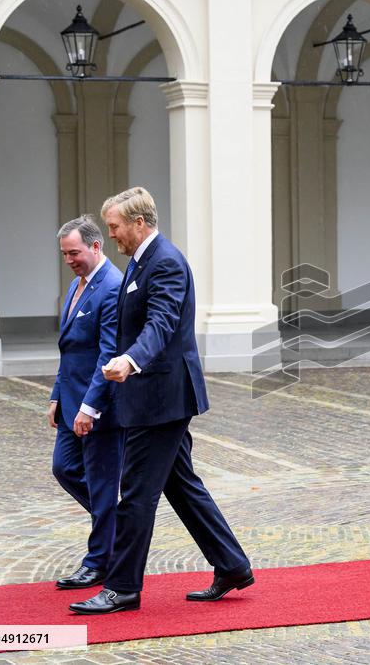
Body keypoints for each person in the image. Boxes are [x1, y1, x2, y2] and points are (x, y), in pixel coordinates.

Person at [69, 187, 252, 614]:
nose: (111, 235)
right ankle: (232, 565)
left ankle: (122, 588)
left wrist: (131, 360)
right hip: (152, 396)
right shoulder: (140, 260)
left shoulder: (165, 261)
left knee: (135, 493)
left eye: (115, 226)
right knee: (181, 484)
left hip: (161, 398)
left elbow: (162, 323)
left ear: (139, 223)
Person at [49, 215, 124, 590]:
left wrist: (89, 408)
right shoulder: (76, 284)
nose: (69, 260)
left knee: (102, 483)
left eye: (74, 253)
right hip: (70, 401)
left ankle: (99, 562)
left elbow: (108, 355)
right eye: (64, 254)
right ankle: (119, 525)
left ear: (96, 246)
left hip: (99, 408)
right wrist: (56, 395)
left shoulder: (112, 287)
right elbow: (70, 350)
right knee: (64, 468)